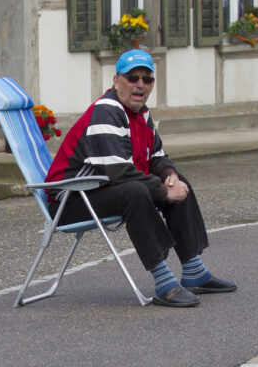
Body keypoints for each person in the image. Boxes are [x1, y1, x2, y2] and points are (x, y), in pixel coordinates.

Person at [44, 49, 236, 307]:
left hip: (99, 192)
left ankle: (194, 271)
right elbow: (119, 172)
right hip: (69, 201)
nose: (140, 84)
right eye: (132, 77)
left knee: (179, 181)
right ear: (116, 81)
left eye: (147, 79)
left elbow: (157, 157)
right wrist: (164, 193)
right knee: (134, 191)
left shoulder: (141, 113)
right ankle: (165, 283)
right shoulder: (106, 111)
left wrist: (170, 178)